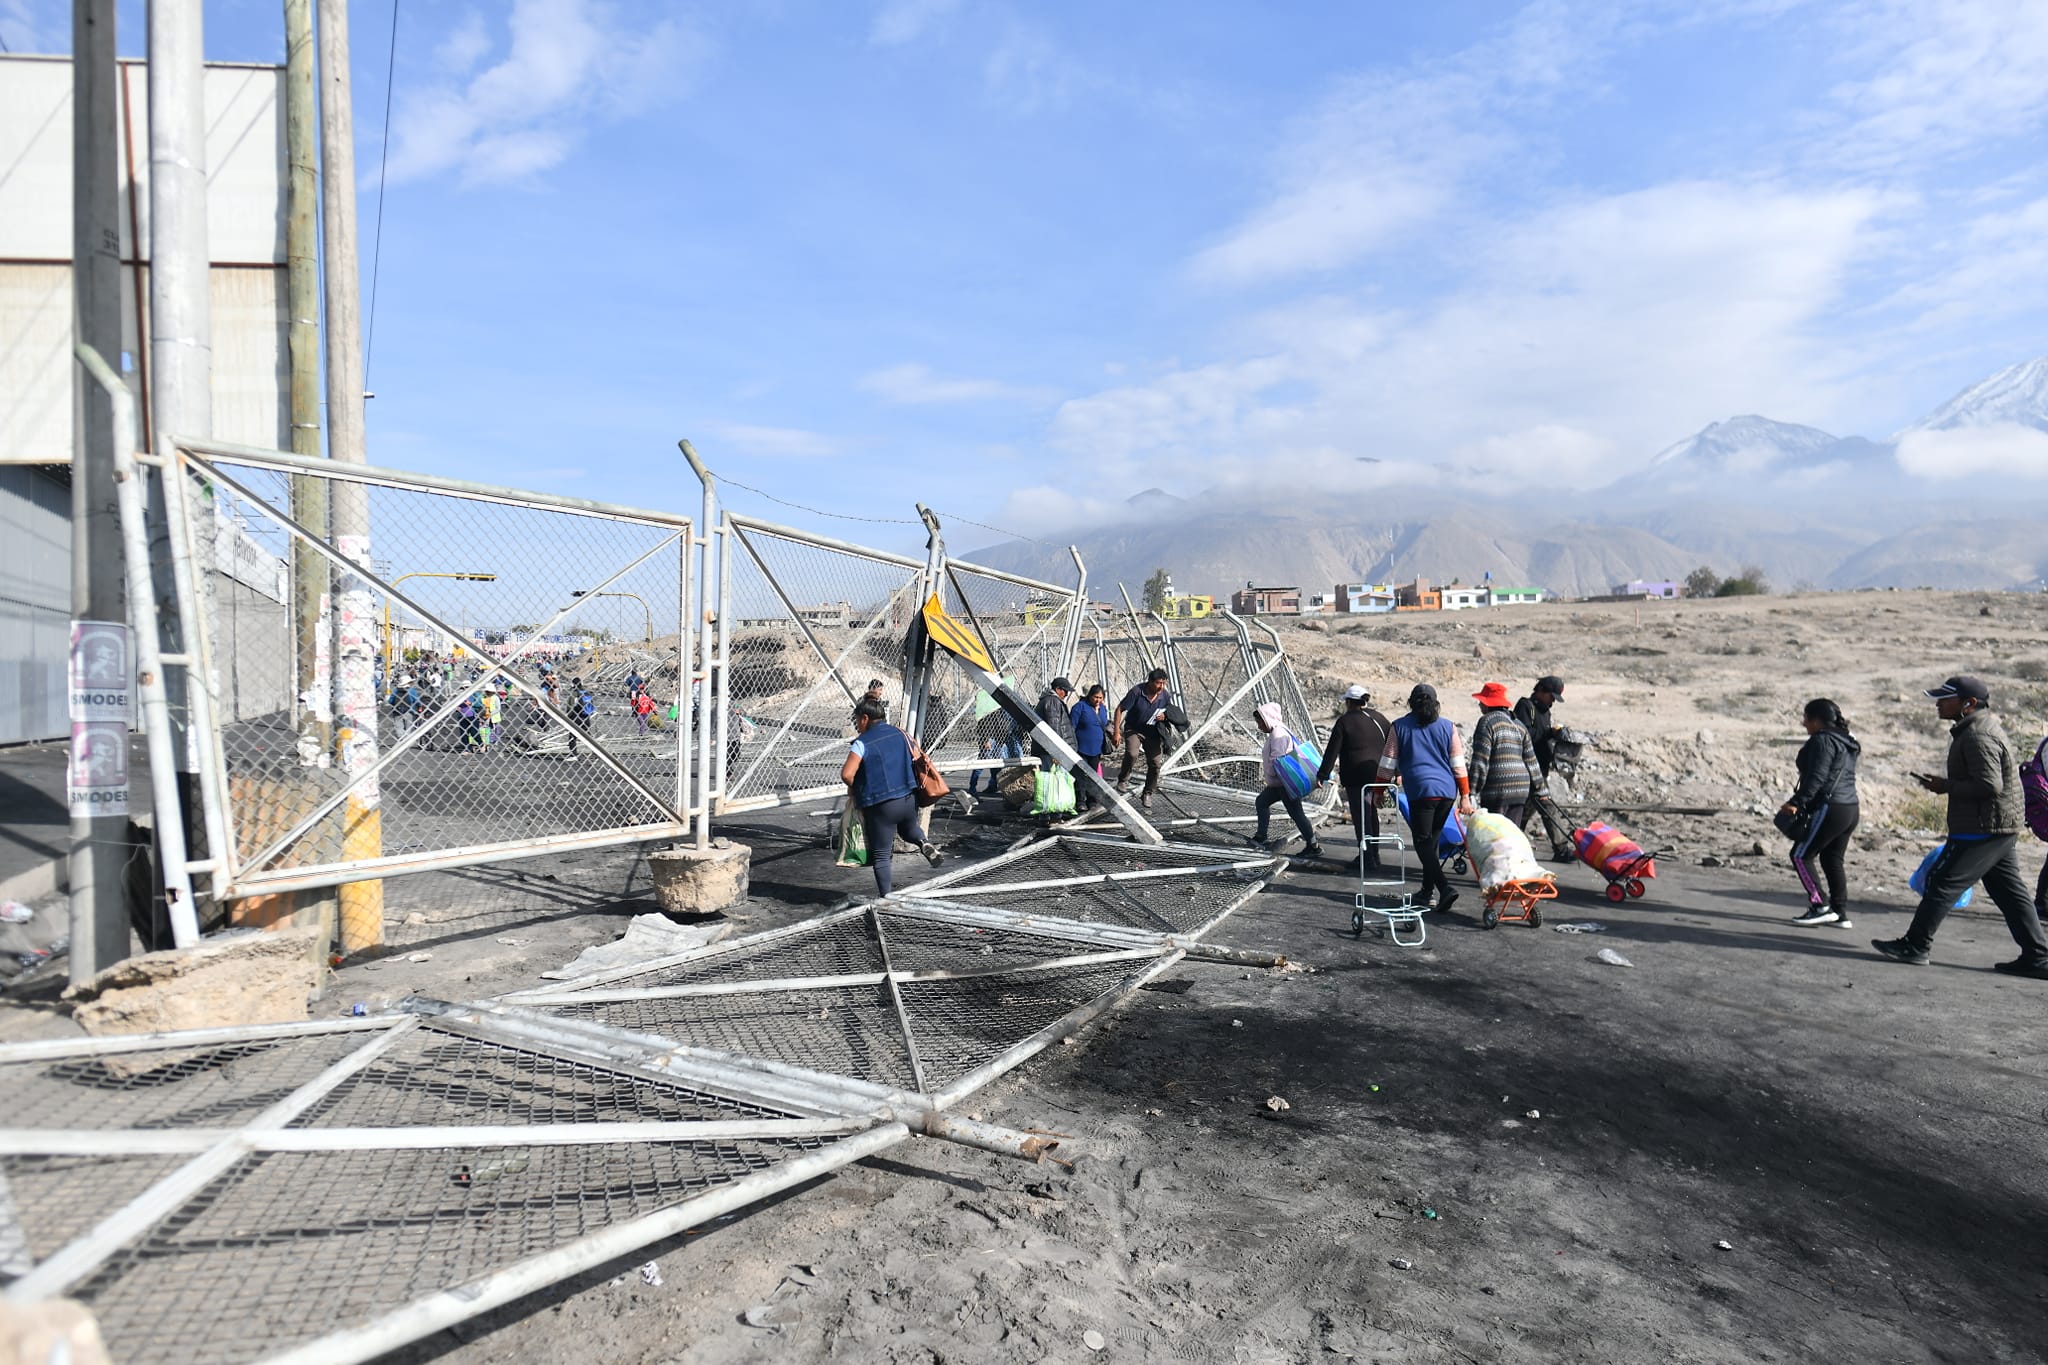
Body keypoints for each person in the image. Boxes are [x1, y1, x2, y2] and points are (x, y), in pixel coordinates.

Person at [1872, 676, 2048, 976]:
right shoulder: (1976, 729)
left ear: (1970, 704)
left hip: (1983, 826)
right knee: (2010, 893)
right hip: (1997, 825)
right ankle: (2038, 957)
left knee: (1943, 882)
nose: (1938, 703)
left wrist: (1946, 786)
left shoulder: (1978, 735)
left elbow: (1990, 785)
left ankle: (1915, 946)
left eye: (1945, 698)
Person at [1378, 683, 1472, 914]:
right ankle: (1426, 891)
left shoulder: (1399, 727)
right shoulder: (1447, 727)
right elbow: (1458, 764)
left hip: (1421, 791)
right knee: (1431, 843)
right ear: (1435, 702)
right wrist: (1465, 795)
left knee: (1422, 843)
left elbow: (1388, 763)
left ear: (1411, 702)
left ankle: (1444, 888)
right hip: (1447, 792)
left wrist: (1378, 791)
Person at [840, 699, 942, 897]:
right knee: (909, 829)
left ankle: (887, 897)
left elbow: (847, 774)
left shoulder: (861, 743)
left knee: (882, 855)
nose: (856, 724)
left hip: (881, 805)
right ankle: (924, 842)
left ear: (865, 718)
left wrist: (858, 787)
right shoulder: (902, 734)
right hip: (908, 798)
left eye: (857, 720)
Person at [1781, 698, 1861, 928]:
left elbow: (1817, 776)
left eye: (1806, 718)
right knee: (1831, 859)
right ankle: (1839, 912)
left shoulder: (1822, 741)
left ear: (1816, 720)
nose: (1803, 723)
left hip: (1831, 807)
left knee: (1800, 856)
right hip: (1850, 808)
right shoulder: (1848, 740)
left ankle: (1820, 906)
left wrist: (1797, 802)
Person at [1316, 685, 1392, 868]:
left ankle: (1367, 858)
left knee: (1361, 816)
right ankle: (1374, 854)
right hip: (1378, 776)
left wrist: (1322, 774)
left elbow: (1332, 751)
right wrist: (1396, 772)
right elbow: (1393, 744)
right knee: (1371, 813)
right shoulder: (1379, 718)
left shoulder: (1344, 721)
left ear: (1349, 702)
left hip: (1356, 777)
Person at [1512, 675, 1575, 859]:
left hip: (1541, 770)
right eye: (1552, 696)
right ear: (1541, 691)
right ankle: (1561, 849)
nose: (1553, 701)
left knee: (1523, 814)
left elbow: (1543, 738)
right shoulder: (1525, 706)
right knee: (1548, 808)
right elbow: (1523, 734)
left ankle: (1512, 844)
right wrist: (1548, 732)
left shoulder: (1545, 712)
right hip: (1528, 770)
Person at [1251, 702, 1323, 858]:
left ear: (1267, 719)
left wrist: (1269, 772)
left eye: (1260, 722)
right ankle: (1261, 836)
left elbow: (1278, 760)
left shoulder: (1277, 734)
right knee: (1262, 802)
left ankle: (1314, 846)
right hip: (1280, 783)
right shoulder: (1278, 731)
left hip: (1284, 783)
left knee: (1296, 813)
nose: (1259, 726)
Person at [1467, 682, 1539, 829]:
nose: (1480, 705)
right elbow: (1531, 761)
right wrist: (1540, 789)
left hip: (1498, 790)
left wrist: (1472, 791)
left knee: (1496, 837)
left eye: (1481, 702)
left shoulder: (1487, 722)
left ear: (1487, 704)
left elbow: (1480, 761)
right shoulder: (1519, 724)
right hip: (1520, 789)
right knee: (1511, 834)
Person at [1114, 668, 1175, 809]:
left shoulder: (1164, 695)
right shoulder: (1137, 692)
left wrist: (1165, 716)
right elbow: (1119, 709)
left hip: (1152, 732)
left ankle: (1148, 792)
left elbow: (1169, 711)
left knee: (1155, 763)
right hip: (1134, 729)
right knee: (1132, 753)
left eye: (1163, 683)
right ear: (1150, 682)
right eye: (1158, 683)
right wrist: (1117, 731)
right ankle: (1123, 779)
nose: (1161, 686)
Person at [1071, 684, 1111, 811]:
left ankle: (1092, 799)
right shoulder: (1080, 707)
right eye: (1095, 697)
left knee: (1093, 775)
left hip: (1096, 749)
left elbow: (1104, 723)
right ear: (1089, 696)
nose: (1097, 700)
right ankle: (1080, 800)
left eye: (1100, 697)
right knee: (1080, 775)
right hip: (1081, 747)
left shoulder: (1103, 709)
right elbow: (1072, 727)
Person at [1032, 677, 1079, 771]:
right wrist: (1056, 752)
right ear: (1057, 689)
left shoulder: (1049, 700)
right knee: (1053, 780)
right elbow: (1054, 728)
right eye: (1065, 691)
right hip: (1051, 752)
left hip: (1049, 750)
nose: (1066, 694)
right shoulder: (1053, 701)